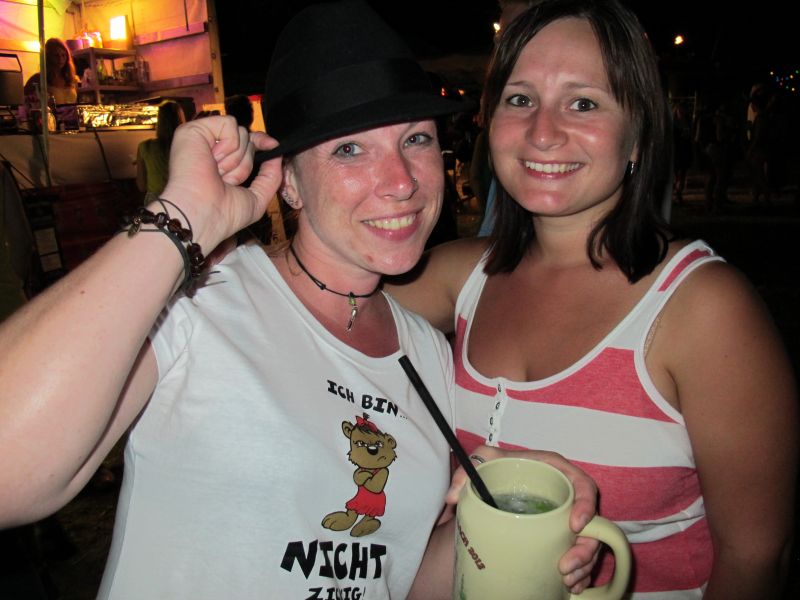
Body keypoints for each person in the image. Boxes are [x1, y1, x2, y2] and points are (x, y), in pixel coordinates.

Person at [0, 2, 597, 598]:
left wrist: (505, 521)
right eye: (349, 149)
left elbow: (402, 577)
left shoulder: (428, 355)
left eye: (415, 139)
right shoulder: (202, 303)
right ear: (287, 180)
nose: (402, 182)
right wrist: (181, 219)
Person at [386, 1, 798, 598]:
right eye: (520, 99)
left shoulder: (704, 308)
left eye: (583, 103)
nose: (542, 132)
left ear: (638, 135)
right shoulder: (462, 275)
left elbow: (755, 557)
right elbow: (312, 301)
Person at [135, 100, 186, 203]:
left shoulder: (146, 147)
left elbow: (141, 186)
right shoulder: (188, 146)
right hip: (182, 199)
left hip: (156, 202)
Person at [23, 38, 79, 105]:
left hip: (71, 112)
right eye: (56, 55)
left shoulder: (72, 79)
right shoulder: (39, 78)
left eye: (63, 55)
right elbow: (21, 100)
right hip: (49, 112)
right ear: (48, 57)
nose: (60, 59)